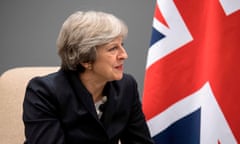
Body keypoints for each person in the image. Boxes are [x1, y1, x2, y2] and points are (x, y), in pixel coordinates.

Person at [23, 10, 154, 144]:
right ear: (85, 59)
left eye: (122, 45)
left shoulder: (126, 86)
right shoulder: (43, 92)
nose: (124, 55)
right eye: (113, 48)